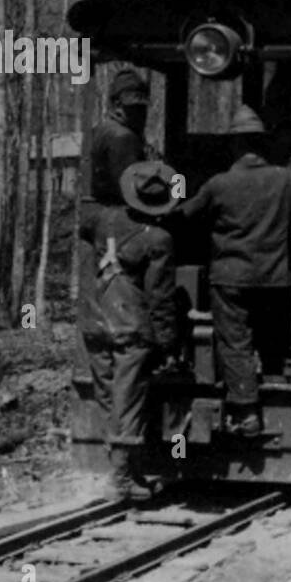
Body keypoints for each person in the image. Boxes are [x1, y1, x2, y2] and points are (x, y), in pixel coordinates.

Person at [179, 106, 291, 437]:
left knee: (235, 342)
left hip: (229, 278)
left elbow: (185, 216)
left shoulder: (218, 184)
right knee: (272, 333)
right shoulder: (286, 180)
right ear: (262, 143)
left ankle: (247, 413)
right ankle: (273, 381)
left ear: (234, 145)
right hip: (274, 278)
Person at [79, 161, 181, 500]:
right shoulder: (159, 240)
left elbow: (84, 216)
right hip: (130, 328)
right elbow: (160, 298)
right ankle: (122, 478)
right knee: (128, 399)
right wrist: (167, 343)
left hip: (95, 322)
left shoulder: (101, 220)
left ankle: (126, 469)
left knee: (108, 396)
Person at [90, 69, 151, 209]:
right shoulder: (124, 137)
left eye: (142, 108)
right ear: (117, 105)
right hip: (119, 212)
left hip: (102, 208)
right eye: (133, 108)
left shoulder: (101, 129)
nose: (140, 114)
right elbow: (133, 190)